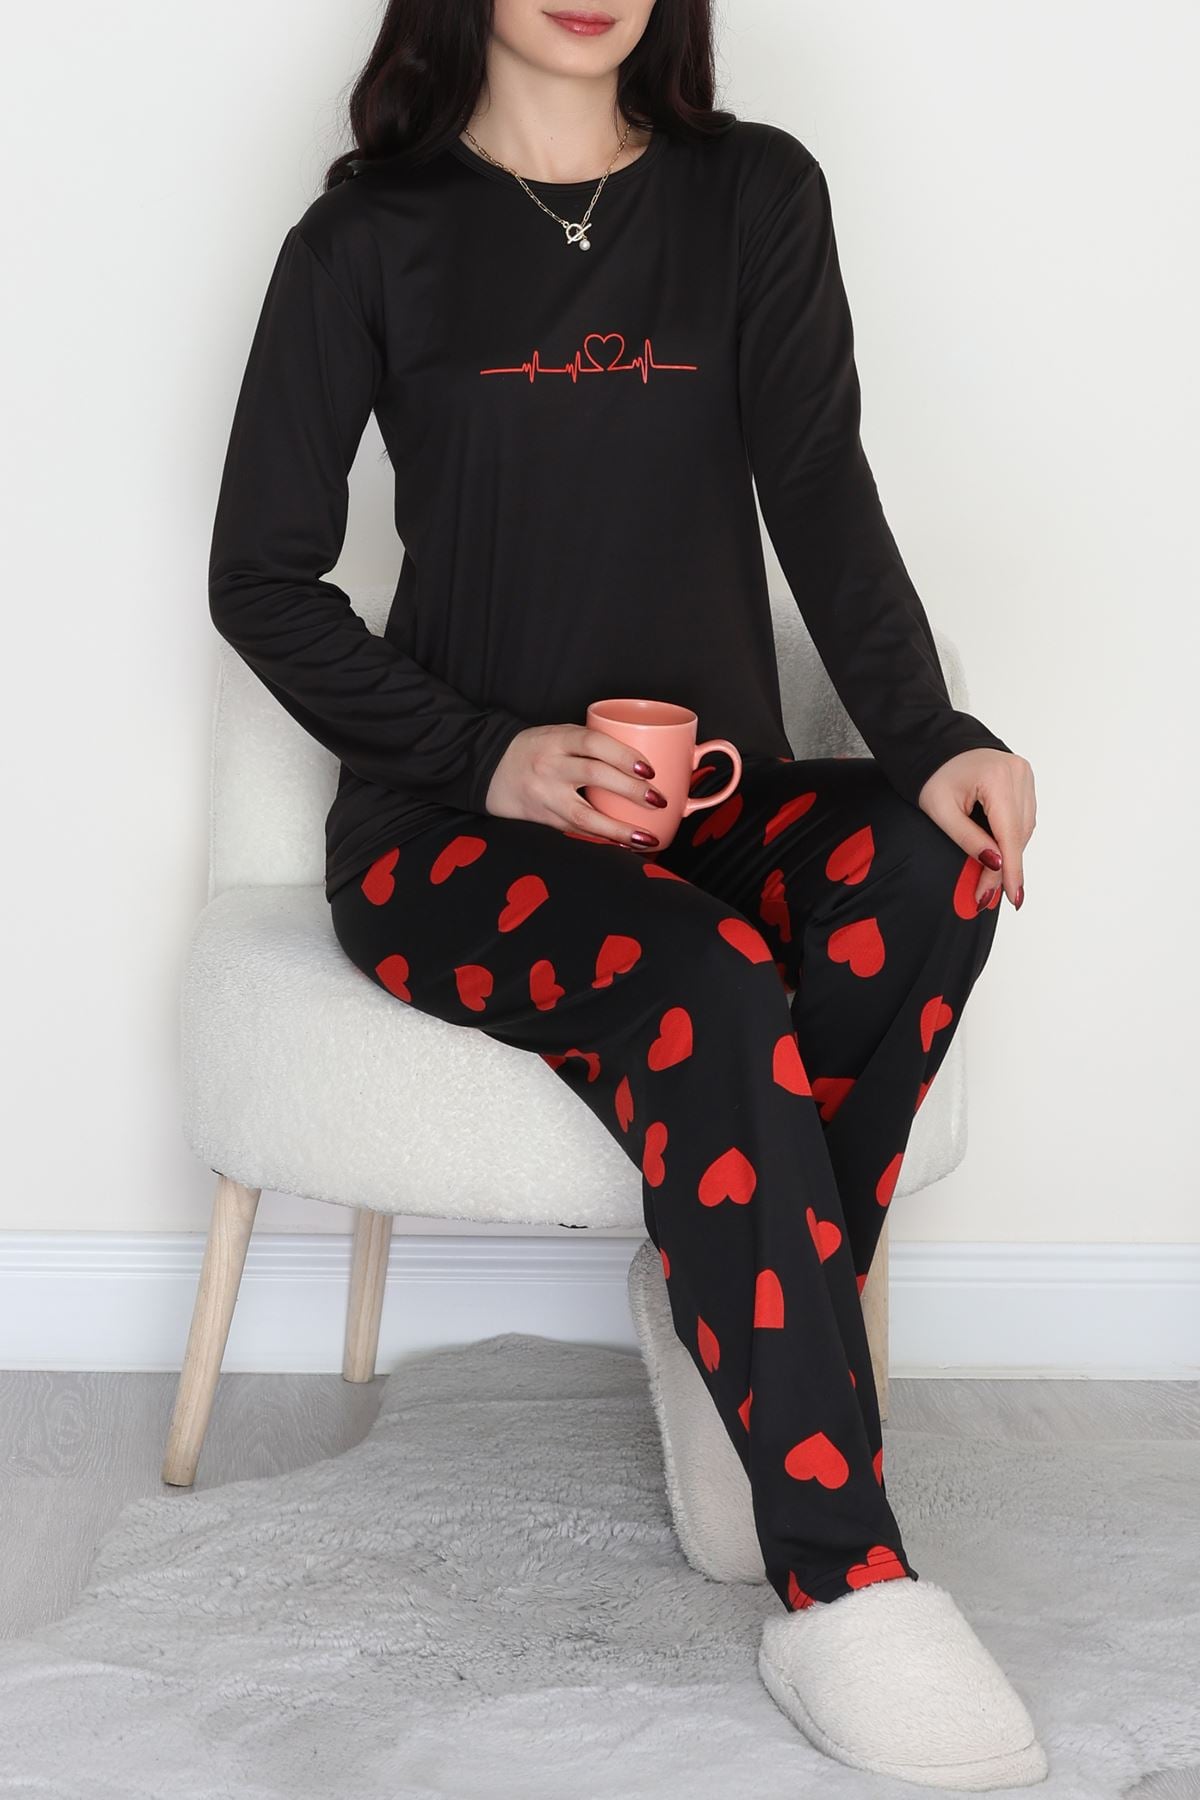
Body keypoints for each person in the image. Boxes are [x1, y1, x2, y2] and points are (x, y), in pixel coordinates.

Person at [206, 0, 1042, 1786]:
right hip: (453, 838)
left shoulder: (754, 197)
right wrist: (492, 756)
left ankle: (728, 1288)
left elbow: (821, 493)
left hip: (708, 803)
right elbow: (260, 580)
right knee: (711, 973)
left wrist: (935, 738)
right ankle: (847, 1582)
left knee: (930, 865)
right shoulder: (366, 240)